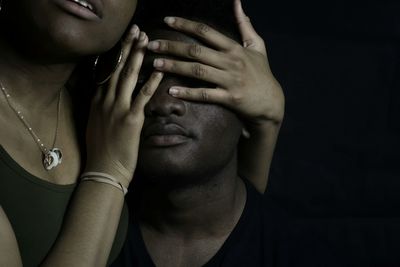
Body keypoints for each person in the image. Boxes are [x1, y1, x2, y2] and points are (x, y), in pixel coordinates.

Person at [0, 0, 282, 266]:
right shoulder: (111, 139)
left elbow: (221, 214)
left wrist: (267, 120)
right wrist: (108, 174)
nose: (166, 102)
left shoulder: (105, 115)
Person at [111, 0, 287, 266]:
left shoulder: (299, 252)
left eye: (197, 80)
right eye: (142, 79)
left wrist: (268, 119)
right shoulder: (96, 236)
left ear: (247, 110)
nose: (162, 103)